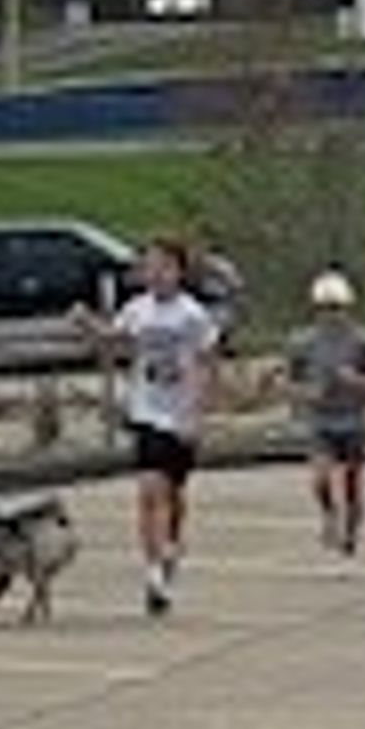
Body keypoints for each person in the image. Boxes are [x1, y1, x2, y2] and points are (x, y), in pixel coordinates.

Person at [98, 236, 221, 618]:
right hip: (146, 410)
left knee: (174, 497)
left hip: (180, 414)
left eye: (163, 267)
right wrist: (88, 327)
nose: (155, 274)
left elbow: (206, 364)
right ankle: (153, 573)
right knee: (150, 491)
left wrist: (197, 415)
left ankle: (170, 551)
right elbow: (115, 342)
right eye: (149, 267)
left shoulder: (192, 315)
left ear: (179, 272)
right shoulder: (137, 310)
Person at [285, 269, 365, 558]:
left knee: (353, 482)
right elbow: (290, 381)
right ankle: (329, 514)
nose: (331, 315)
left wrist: (355, 380)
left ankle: (352, 527)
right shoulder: (302, 342)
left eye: (337, 308)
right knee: (321, 477)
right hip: (321, 418)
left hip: (353, 418)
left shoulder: (363, 340)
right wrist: (304, 393)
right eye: (325, 309)